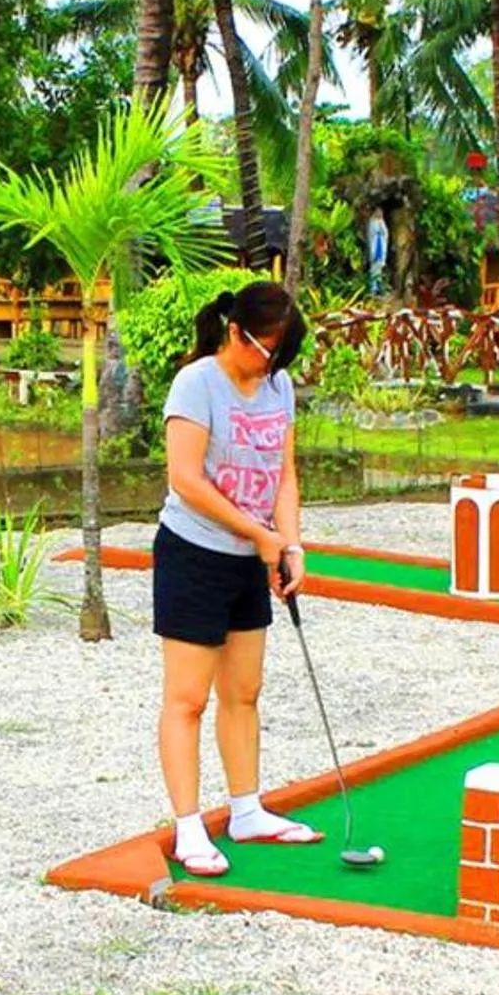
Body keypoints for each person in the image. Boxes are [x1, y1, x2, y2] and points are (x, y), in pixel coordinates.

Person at [153, 280, 318, 876]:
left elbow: (285, 476)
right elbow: (186, 480)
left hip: (251, 557)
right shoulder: (196, 382)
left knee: (244, 692)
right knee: (188, 698)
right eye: (264, 348)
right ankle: (190, 828)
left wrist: (289, 545)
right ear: (235, 330)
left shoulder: (280, 386)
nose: (269, 363)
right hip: (194, 555)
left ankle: (246, 810)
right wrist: (258, 534)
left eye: (280, 354)